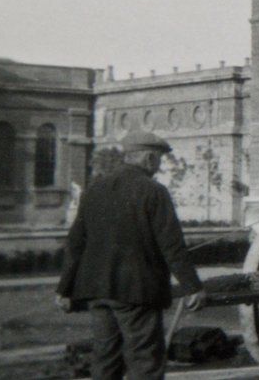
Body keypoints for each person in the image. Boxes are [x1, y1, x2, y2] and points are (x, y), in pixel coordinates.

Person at [56, 130, 206, 380]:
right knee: (145, 363)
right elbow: (172, 245)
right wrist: (193, 287)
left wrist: (64, 289)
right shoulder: (154, 191)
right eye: (158, 159)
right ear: (148, 159)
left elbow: (75, 243)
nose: (159, 166)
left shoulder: (94, 189)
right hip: (137, 293)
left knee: (105, 362)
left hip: (97, 291)